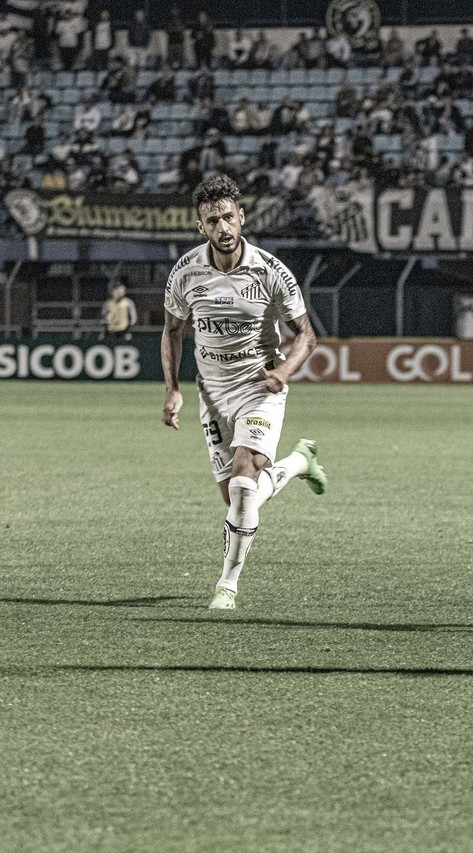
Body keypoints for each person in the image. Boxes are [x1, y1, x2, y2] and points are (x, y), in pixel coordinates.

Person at [160, 175, 328, 610]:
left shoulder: (271, 271)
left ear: (242, 217)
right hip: (212, 394)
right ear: (201, 227)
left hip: (259, 388)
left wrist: (285, 371)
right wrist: (172, 389)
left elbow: (307, 335)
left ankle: (227, 585)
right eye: (213, 220)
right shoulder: (185, 273)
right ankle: (297, 463)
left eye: (229, 217)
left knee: (242, 483)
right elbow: (172, 331)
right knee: (238, 494)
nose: (223, 227)